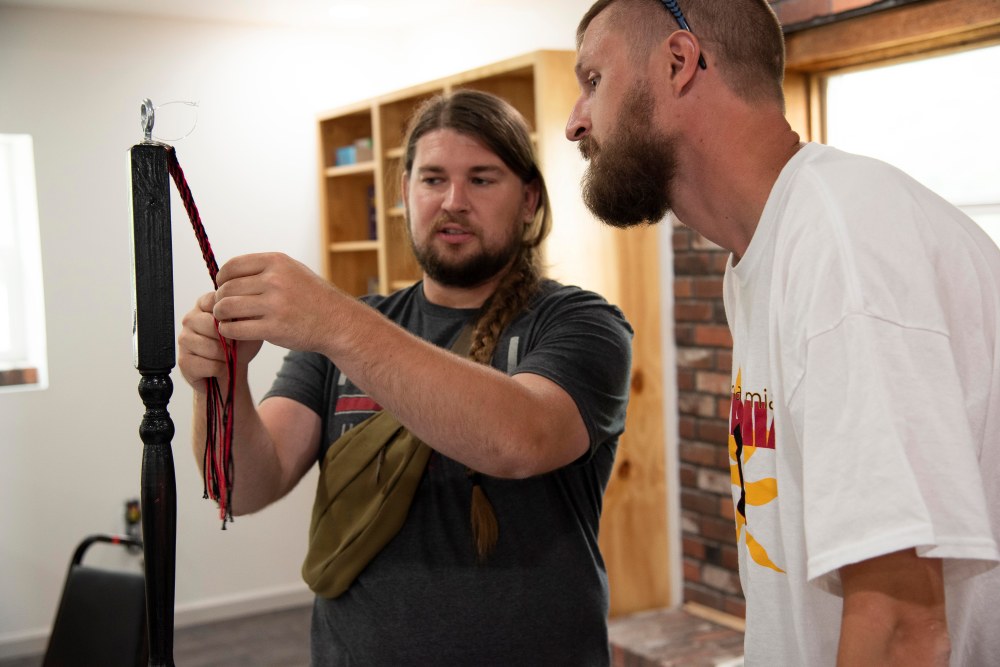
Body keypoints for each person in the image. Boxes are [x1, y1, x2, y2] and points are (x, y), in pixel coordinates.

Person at [565, 0, 1000, 665]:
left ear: (679, 62)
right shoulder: (765, 254)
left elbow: (904, 629)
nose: (574, 121)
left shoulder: (843, 239)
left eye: (593, 79)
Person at [178, 88, 633, 666]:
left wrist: (334, 319)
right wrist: (221, 384)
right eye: (433, 179)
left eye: (483, 179)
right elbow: (242, 487)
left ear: (529, 199)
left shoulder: (580, 324)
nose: (453, 201)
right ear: (404, 194)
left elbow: (518, 440)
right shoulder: (344, 332)